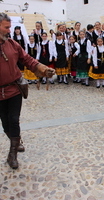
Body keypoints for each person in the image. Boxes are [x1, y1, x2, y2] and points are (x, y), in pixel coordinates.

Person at [0, 13, 55, 169]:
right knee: (5, 123)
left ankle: (12, 154)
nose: (9, 31)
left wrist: (43, 69)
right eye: (6, 27)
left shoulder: (12, 44)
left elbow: (28, 60)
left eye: (10, 27)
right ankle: (16, 141)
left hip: (14, 89)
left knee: (13, 119)